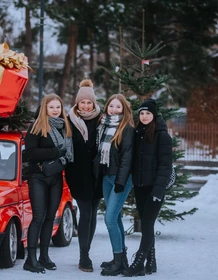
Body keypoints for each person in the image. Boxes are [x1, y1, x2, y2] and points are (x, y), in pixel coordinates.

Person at [23, 94, 74, 273]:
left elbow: (68, 153)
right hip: (38, 177)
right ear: (45, 108)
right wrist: (55, 152)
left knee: (50, 218)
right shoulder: (37, 127)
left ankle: (44, 257)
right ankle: (31, 259)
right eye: (51, 107)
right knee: (38, 217)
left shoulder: (64, 128)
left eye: (58, 107)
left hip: (55, 177)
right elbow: (30, 152)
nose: (55, 110)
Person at [122, 98, 172, 277]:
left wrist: (158, 190)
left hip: (154, 188)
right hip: (140, 187)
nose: (144, 116)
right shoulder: (137, 133)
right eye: (142, 113)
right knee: (146, 223)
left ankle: (139, 262)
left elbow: (166, 166)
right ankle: (151, 262)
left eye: (147, 113)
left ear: (154, 115)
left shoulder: (162, 136)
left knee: (148, 223)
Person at [95, 94, 134, 276]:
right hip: (107, 177)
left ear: (124, 109)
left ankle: (118, 261)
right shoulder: (104, 126)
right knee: (115, 218)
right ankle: (120, 257)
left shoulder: (127, 129)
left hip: (121, 179)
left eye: (118, 107)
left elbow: (127, 157)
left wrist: (120, 181)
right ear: (107, 108)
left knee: (109, 219)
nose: (114, 110)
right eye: (112, 106)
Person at [65, 79, 102, 272]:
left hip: (97, 174)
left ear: (93, 103)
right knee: (85, 212)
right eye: (82, 103)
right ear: (77, 103)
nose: (86, 106)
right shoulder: (69, 120)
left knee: (93, 213)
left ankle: (86, 250)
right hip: (77, 174)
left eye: (89, 102)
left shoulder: (102, 119)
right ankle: (84, 256)